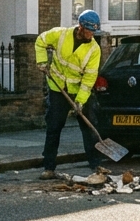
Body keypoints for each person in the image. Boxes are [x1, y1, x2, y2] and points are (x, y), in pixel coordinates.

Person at [34, 10, 106, 180]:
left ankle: (96, 164)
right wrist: (42, 61)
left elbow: (89, 78)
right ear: (80, 27)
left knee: (88, 127)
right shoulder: (60, 34)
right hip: (58, 88)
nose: (91, 35)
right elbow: (40, 41)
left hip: (79, 91)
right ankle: (49, 167)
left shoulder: (94, 49)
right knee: (54, 127)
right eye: (89, 31)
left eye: (94, 31)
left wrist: (80, 101)